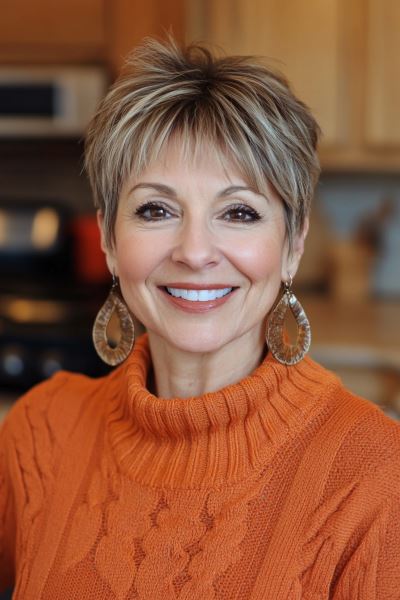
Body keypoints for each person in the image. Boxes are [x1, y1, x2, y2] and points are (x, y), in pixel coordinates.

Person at [1, 37, 399, 600]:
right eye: (156, 209)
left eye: (238, 212)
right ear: (110, 240)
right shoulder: (39, 433)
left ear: (293, 245)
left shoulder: (374, 474)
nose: (194, 252)